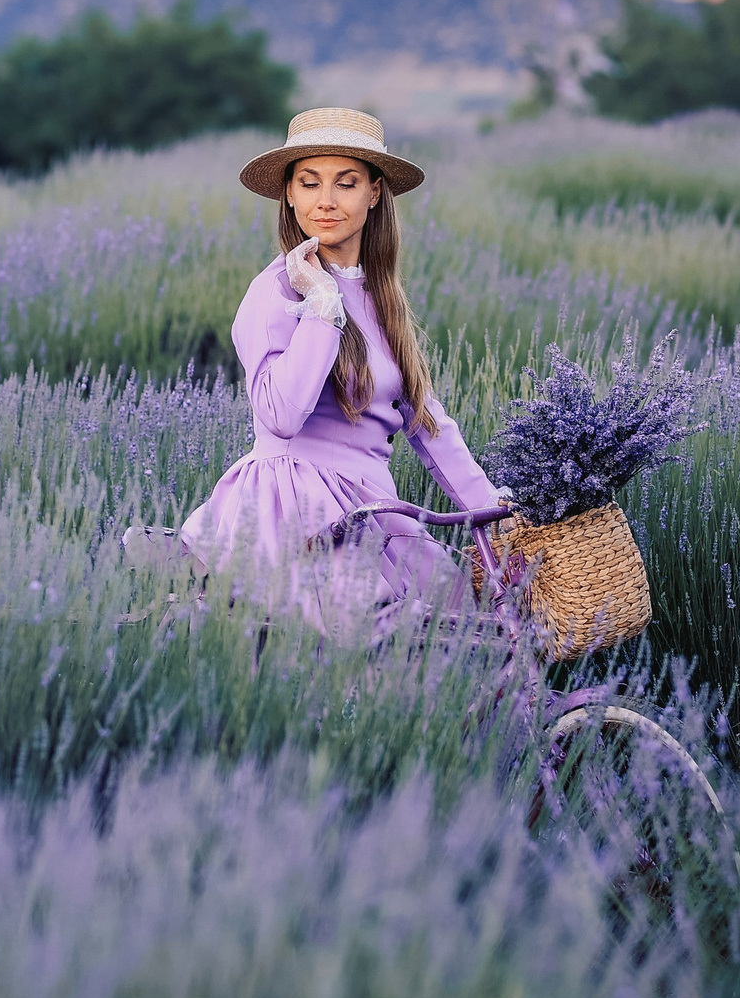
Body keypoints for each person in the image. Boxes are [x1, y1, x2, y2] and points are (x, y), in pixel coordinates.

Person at [171, 106, 506, 631]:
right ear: (289, 194)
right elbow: (281, 413)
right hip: (297, 508)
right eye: (309, 183)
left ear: (374, 194)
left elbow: (424, 418)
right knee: (356, 658)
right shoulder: (275, 292)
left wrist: (493, 512)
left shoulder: (380, 295)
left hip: (374, 508)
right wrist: (322, 307)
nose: (325, 200)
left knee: (458, 625)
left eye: (345, 183)